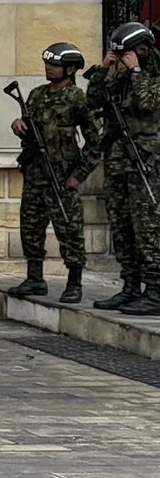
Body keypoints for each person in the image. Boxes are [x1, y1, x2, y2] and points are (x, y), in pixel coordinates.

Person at [10, 42, 94, 304]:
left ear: (70, 69)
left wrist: (78, 175)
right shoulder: (36, 95)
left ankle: (74, 283)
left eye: (55, 65)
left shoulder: (78, 98)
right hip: (35, 174)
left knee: (69, 229)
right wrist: (18, 125)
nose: (49, 68)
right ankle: (35, 278)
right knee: (30, 227)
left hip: (62, 176)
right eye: (47, 63)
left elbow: (95, 141)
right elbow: (29, 129)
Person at [85, 21, 160, 316]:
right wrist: (105, 71)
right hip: (117, 161)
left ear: (143, 49)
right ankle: (130, 285)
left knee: (147, 227)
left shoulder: (151, 74)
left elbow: (148, 104)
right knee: (122, 225)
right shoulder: (119, 75)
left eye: (128, 52)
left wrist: (136, 71)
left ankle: (155, 290)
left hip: (146, 163)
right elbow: (93, 102)